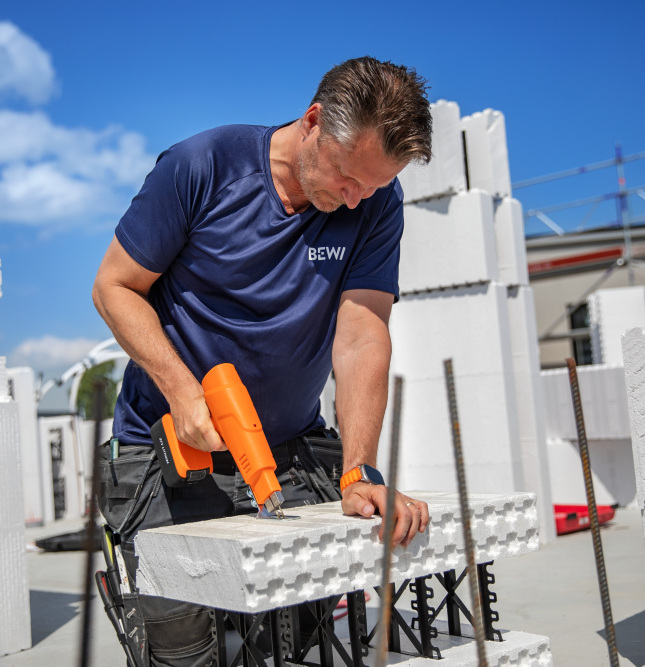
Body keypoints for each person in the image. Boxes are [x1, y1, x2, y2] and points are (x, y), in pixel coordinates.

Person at [92, 56, 433, 666]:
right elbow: (114, 287)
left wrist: (358, 472)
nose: (356, 199)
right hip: (169, 455)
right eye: (348, 177)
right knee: (183, 653)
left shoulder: (376, 202)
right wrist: (182, 391)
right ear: (314, 121)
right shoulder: (202, 167)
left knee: (294, 645)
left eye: (373, 187)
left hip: (291, 453)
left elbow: (362, 334)